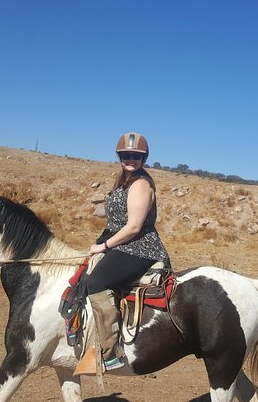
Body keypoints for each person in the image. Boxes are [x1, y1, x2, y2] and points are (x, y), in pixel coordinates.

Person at [85, 132, 171, 371]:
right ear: (119, 156)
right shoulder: (121, 180)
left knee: (97, 282)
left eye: (136, 156)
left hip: (140, 248)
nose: (130, 159)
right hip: (121, 244)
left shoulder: (141, 184)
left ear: (144, 158)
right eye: (126, 155)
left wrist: (104, 246)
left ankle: (110, 351)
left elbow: (133, 227)